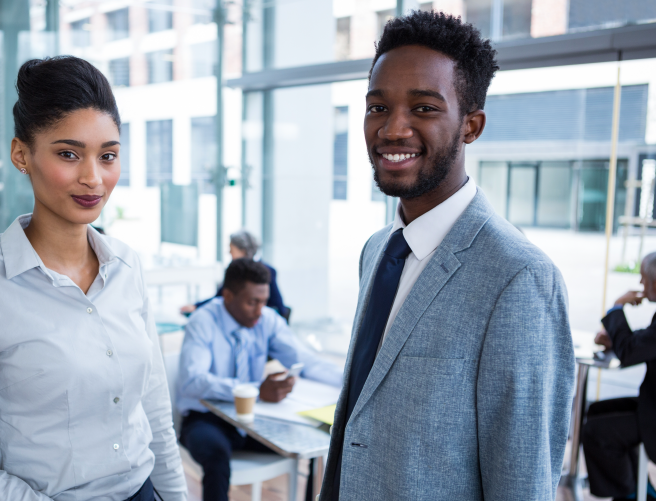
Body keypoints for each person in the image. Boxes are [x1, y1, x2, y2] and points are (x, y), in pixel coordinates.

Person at [320, 11, 574, 501]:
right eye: (378, 107)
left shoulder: (518, 277)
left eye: (424, 108)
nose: (393, 129)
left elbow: (521, 482)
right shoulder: (376, 250)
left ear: (471, 126)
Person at [0, 57, 187, 501]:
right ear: (21, 155)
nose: (93, 178)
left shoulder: (128, 265)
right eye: (69, 153)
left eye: (108, 156)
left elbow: (154, 409)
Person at [177, 258, 342, 501]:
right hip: (205, 419)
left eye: (263, 302)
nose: (259, 310)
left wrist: (350, 380)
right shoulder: (202, 321)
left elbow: (305, 360)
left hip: (255, 419)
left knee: (316, 444)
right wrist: (255, 390)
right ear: (228, 296)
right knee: (216, 456)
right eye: (252, 302)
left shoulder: (266, 319)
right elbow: (192, 381)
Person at [587, 251, 656, 501]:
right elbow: (643, 344)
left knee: (596, 431)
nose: (640, 285)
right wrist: (614, 340)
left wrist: (617, 306)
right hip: (650, 406)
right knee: (595, 411)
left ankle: (628, 494)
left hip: (653, 416)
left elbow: (630, 352)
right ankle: (640, 489)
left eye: (642, 278)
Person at [180, 230, 287, 318]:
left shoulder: (265, 271)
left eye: (231, 249)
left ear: (243, 251)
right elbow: (221, 296)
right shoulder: (236, 271)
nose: (229, 252)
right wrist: (196, 306)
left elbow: (278, 307)